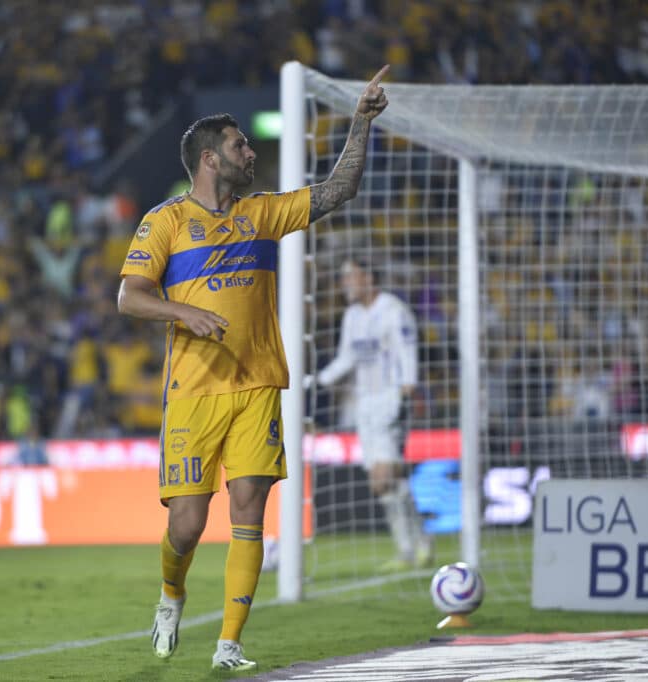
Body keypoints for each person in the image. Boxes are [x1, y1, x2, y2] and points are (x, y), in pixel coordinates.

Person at [117, 66, 390, 671]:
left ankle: (229, 644)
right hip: (193, 390)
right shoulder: (164, 222)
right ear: (211, 158)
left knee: (249, 509)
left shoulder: (263, 213)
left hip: (259, 383)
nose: (252, 151)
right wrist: (185, 313)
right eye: (241, 144)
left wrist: (362, 123)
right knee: (186, 527)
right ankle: (171, 595)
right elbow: (130, 297)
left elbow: (338, 188)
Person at [312, 257, 432, 571]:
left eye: (350, 276)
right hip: (364, 404)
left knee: (383, 479)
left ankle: (413, 547)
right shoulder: (352, 315)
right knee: (386, 484)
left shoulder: (394, 311)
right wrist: (315, 382)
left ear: (368, 277)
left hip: (392, 399)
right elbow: (346, 359)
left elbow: (408, 354)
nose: (344, 284)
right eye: (342, 278)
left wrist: (407, 394)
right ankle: (416, 545)